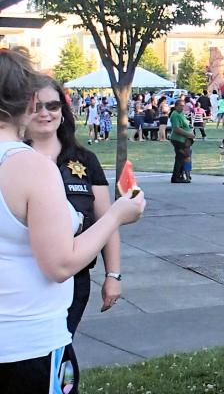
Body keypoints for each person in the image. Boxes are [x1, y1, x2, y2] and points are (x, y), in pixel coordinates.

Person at [0, 48, 145, 394]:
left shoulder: (70, 159)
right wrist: (115, 216)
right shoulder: (32, 167)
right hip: (27, 346)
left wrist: (113, 272)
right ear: (28, 100)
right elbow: (60, 263)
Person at [26, 77, 122, 336]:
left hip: (75, 277)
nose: (45, 113)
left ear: (63, 111)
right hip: (25, 278)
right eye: (36, 107)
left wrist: (113, 275)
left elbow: (107, 221)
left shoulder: (84, 159)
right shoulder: (14, 159)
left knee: (61, 345)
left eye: (53, 106)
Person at [169, 99, 194, 183]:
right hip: (178, 139)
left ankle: (180, 175)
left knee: (183, 157)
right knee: (180, 157)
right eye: (180, 105)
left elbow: (185, 123)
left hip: (184, 140)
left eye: (183, 105)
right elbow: (176, 129)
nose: (182, 107)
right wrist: (188, 134)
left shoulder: (181, 114)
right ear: (176, 106)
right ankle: (175, 177)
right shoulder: (175, 115)